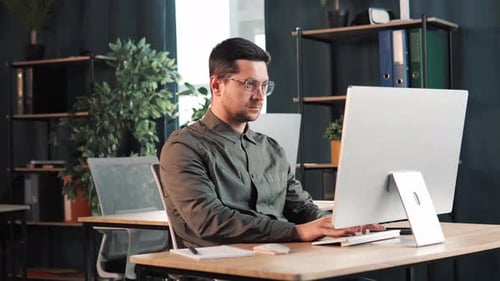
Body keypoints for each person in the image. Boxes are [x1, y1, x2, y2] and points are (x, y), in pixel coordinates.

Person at [159, 37, 383, 248]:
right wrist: (296, 232)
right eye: (249, 85)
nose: (260, 96)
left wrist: (339, 224)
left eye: (264, 85)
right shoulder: (184, 147)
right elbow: (210, 220)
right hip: (223, 268)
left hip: (282, 259)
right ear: (217, 86)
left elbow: (301, 208)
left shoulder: (271, 149)